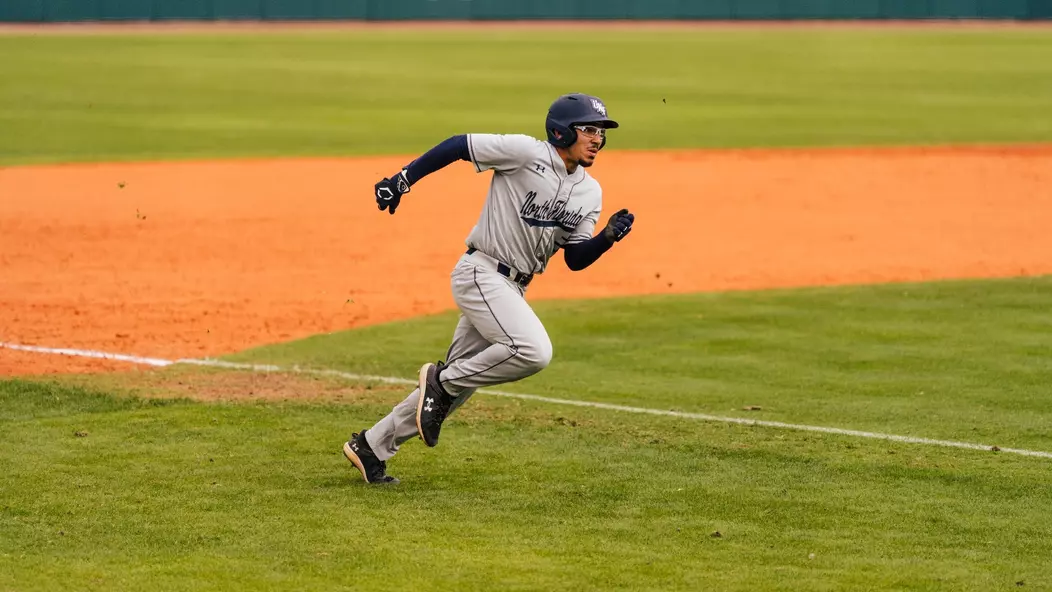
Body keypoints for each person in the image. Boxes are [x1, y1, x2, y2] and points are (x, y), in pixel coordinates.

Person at [343, 93, 636, 484]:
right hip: (481, 274)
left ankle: (371, 446)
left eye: (601, 132)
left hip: (513, 290)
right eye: (588, 129)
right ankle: (440, 381)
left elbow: (574, 258)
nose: (597, 138)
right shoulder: (524, 153)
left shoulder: (590, 192)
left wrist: (607, 238)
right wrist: (402, 180)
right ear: (562, 131)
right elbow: (458, 145)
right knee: (532, 352)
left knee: (453, 393)